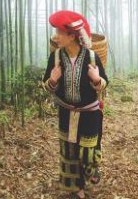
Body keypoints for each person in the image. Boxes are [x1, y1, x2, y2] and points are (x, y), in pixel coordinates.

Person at [43, 10, 108, 197]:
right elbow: (46, 86)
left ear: (72, 36)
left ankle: (91, 170)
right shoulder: (55, 58)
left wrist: (96, 79)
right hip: (66, 112)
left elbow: (104, 82)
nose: (56, 36)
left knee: (87, 152)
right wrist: (53, 80)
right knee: (70, 152)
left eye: (59, 33)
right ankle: (78, 188)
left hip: (89, 114)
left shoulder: (92, 57)